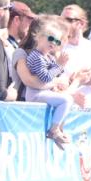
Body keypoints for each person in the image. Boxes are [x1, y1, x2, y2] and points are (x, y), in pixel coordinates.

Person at [24, 20, 74, 149]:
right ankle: (54, 130)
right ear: (39, 37)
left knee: (68, 100)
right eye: (51, 38)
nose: (53, 43)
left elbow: (57, 74)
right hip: (35, 94)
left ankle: (58, 129)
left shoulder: (48, 57)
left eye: (57, 41)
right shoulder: (36, 56)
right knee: (66, 100)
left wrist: (59, 64)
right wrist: (59, 65)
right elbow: (45, 77)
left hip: (44, 92)